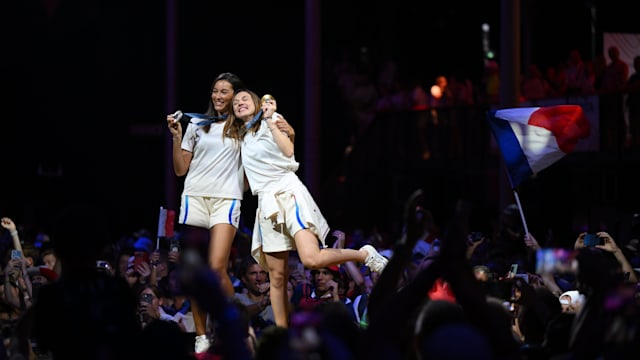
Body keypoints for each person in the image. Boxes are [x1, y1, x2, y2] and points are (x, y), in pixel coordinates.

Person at [230, 89, 388, 328]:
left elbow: (288, 150)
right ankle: (283, 334)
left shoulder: (271, 120)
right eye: (235, 102)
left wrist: (272, 120)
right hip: (266, 205)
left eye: (244, 98)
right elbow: (247, 181)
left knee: (312, 259)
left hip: (287, 193)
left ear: (255, 103)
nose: (239, 102)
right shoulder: (241, 139)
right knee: (277, 277)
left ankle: (364, 254)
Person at [166, 72, 294, 355]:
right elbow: (180, 169)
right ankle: (201, 335)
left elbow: (264, 157)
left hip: (227, 201)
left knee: (215, 267)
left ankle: (232, 324)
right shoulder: (198, 123)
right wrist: (177, 137)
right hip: (195, 198)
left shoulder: (245, 128)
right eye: (215, 91)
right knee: (195, 270)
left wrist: (240, 184)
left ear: (235, 96)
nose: (219, 96)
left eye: (225, 92)